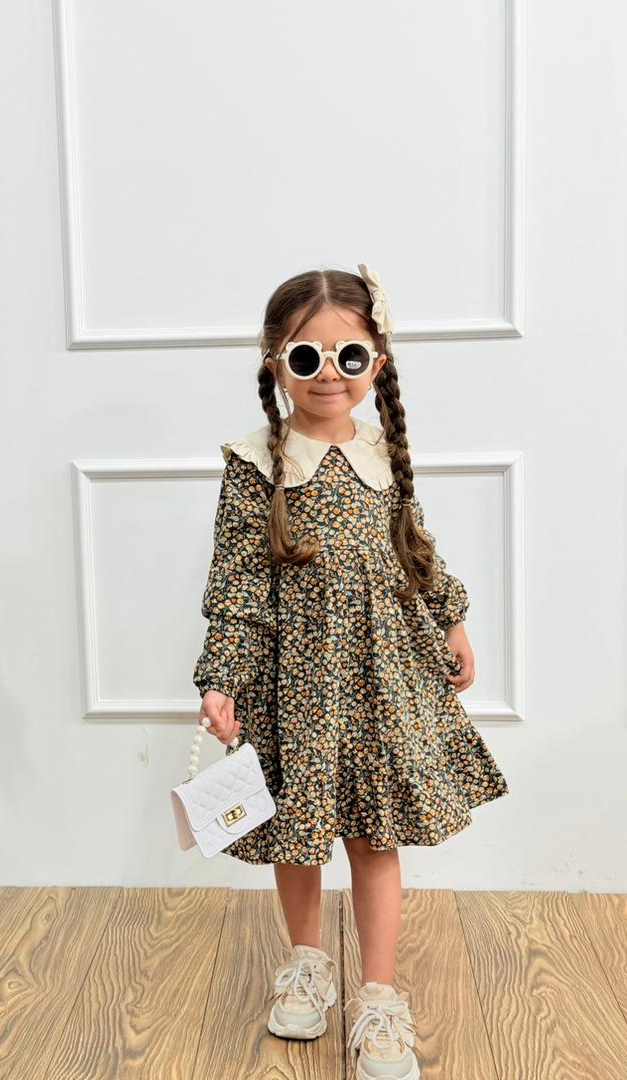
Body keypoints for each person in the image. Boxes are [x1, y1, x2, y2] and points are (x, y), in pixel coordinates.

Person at [191, 264, 510, 1079]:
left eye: (349, 356)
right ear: (276, 363)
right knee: (298, 835)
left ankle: (379, 998)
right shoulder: (254, 464)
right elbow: (237, 581)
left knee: (374, 835)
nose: (328, 374)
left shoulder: (382, 453)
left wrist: (452, 617)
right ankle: (306, 964)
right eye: (307, 358)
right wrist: (221, 676)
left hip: (380, 678)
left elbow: (415, 545)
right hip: (293, 681)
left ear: (378, 362)